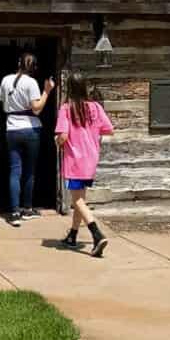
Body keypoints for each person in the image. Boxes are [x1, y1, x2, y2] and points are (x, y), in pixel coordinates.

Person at [55, 72, 114, 256]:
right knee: (81, 199)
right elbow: (108, 129)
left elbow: (63, 136)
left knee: (77, 200)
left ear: (69, 88)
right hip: (91, 158)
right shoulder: (95, 107)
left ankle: (96, 234)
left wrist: (58, 140)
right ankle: (72, 235)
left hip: (75, 160)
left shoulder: (66, 108)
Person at [0, 52, 55, 227]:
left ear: (18, 62)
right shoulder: (31, 83)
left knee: (15, 170)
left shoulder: (6, 79)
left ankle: (14, 212)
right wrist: (47, 91)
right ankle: (28, 208)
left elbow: (2, 102)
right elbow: (36, 108)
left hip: (12, 128)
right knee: (29, 170)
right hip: (30, 128)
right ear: (34, 67)